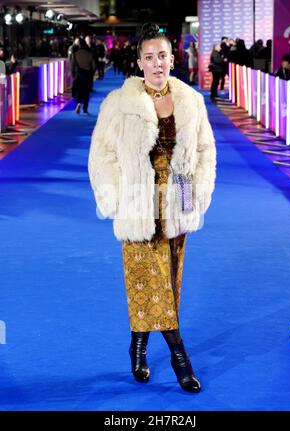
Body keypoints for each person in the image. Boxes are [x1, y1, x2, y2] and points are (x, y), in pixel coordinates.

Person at [88, 23, 217, 393]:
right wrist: (115, 198)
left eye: (162, 55)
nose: (157, 63)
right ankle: (180, 358)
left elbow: (204, 152)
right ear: (140, 62)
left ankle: (139, 344)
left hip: (177, 200)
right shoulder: (119, 104)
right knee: (149, 283)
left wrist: (197, 198)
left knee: (168, 285)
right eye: (149, 57)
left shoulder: (191, 101)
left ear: (172, 59)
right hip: (139, 204)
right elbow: (102, 154)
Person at [71, 38, 95, 115]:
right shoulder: (90, 54)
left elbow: (72, 66)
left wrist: (73, 75)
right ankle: (85, 110)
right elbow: (94, 66)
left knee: (79, 91)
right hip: (87, 75)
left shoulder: (75, 54)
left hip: (78, 75)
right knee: (86, 92)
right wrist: (92, 73)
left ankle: (78, 102)